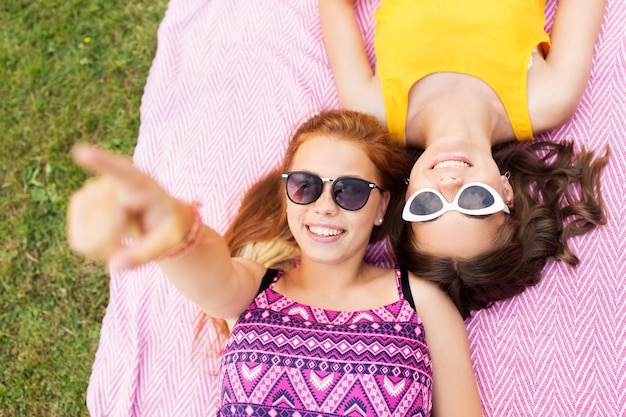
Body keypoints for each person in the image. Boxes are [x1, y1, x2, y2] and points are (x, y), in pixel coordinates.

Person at [67, 109, 483, 416]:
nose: (324, 207)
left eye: (350, 191)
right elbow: (209, 270)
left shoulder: (422, 302)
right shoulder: (255, 288)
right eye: (305, 186)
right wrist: (173, 228)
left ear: (380, 206)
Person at [318, 0, 609, 317]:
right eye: (475, 200)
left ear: (406, 199)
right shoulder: (549, 97)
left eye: (427, 206)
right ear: (506, 191)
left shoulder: (371, 110)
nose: (450, 183)